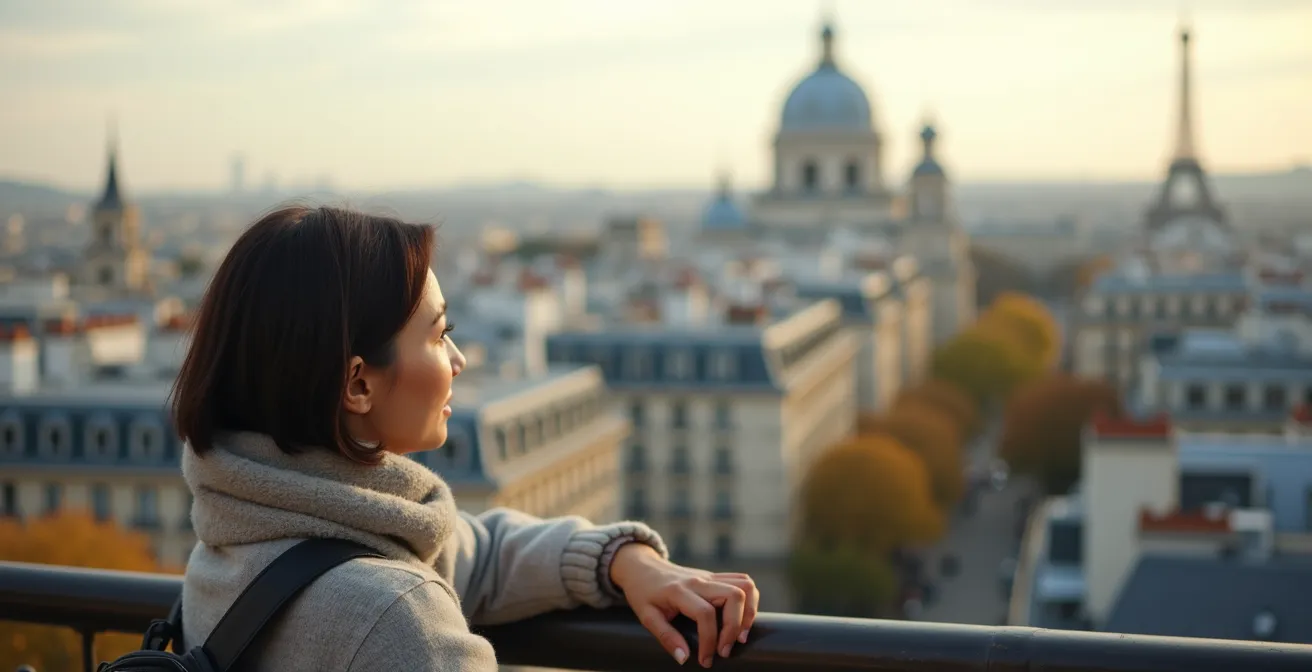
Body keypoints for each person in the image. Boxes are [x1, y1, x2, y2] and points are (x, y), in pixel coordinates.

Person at [173, 206, 759, 670]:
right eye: (437, 334)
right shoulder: (394, 619)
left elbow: (473, 551)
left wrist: (621, 561)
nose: (456, 359)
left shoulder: (237, 547)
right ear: (357, 383)